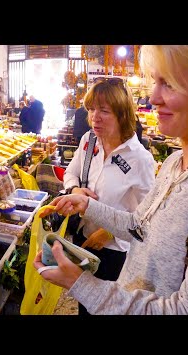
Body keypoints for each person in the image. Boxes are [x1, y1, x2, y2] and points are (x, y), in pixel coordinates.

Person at [36, 45, 188, 315]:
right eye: (155, 82)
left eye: (170, 84)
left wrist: (80, 284)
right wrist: (86, 204)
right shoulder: (176, 162)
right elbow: (138, 227)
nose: (153, 98)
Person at [62, 77, 156, 315]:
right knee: (84, 304)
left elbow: (149, 215)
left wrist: (110, 231)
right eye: (92, 109)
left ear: (122, 115)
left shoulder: (140, 159)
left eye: (104, 110)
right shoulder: (88, 141)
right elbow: (70, 174)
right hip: (83, 240)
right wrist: (75, 190)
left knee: (108, 308)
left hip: (115, 251)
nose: (94, 117)